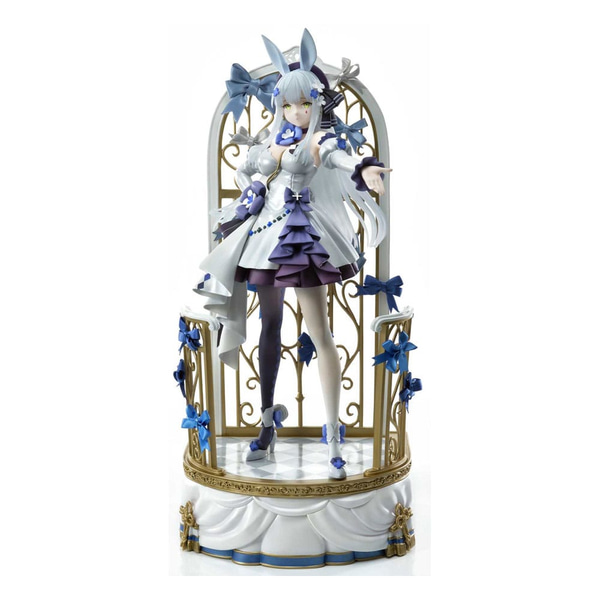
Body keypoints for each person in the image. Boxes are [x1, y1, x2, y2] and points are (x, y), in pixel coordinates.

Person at [194, 29, 391, 479]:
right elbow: (246, 169)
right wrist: (254, 179)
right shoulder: (271, 140)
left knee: (321, 334)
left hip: (301, 240)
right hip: (265, 238)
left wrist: (364, 167)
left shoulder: (318, 141)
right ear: (278, 105)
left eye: (304, 103)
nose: (297, 111)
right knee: (269, 326)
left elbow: (338, 157)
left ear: (317, 102)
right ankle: (267, 424)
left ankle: (334, 437)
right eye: (288, 104)